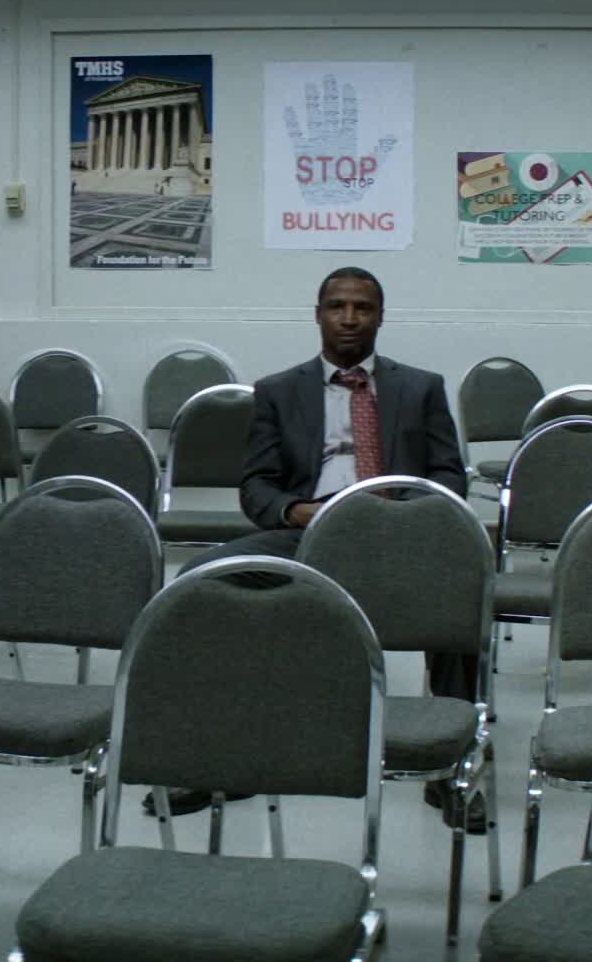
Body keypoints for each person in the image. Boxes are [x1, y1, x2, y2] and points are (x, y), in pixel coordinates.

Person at [158, 267, 483, 828]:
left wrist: (407, 511)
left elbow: (449, 476)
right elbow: (257, 487)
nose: (349, 318)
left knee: (459, 581)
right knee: (208, 577)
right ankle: (220, 757)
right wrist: (295, 510)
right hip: (309, 530)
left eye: (363, 307)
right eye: (337, 306)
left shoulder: (421, 388)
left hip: (398, 528)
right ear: (318, 315)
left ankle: (448, 768)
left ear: (380, 317)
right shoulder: (278, 391)